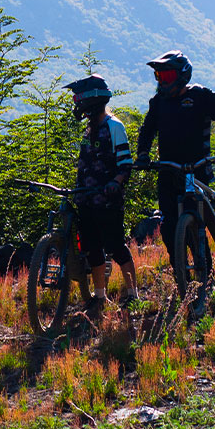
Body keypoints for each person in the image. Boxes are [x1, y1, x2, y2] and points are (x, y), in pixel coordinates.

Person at [134, 50, 215, 284]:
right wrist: (142, 154)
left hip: (198, 172)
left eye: (167, 76)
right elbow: (146, 131)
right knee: (170, 230)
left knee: (197, 226)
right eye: (159, 77)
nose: (162, 82)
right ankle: (183, 280)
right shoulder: (159, 103)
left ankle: (206, 280)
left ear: (182, 76)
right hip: (168, 172)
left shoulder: (200, 96)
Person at [65, 75, 139, 317]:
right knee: (93, 249)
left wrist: (115, 183)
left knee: (117, 247)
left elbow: (126, 164)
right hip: (86, 199)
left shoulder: (114, 126)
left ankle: (133, 295)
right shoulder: (88, 130)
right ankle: (99, 297)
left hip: (107, 200)